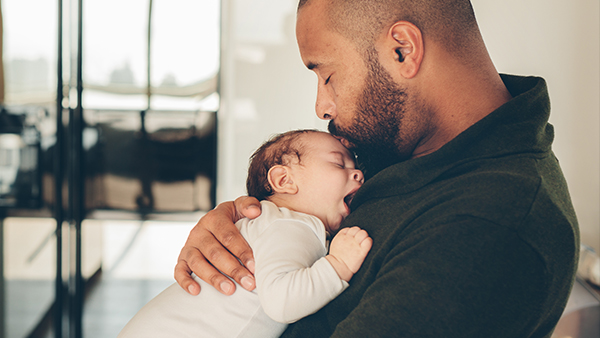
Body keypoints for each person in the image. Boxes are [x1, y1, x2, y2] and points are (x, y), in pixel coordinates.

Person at [175, 0, 580, 337]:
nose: (321, 107)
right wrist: (247, 224)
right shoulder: (402, 146)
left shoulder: (490, 224)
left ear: (403, 49)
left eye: (328, 75)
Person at [118, 129, 372, 338]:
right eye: (339, 164)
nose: (358, 174)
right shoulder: (293, 225)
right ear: (284, 180)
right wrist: (337, 265)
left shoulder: (269, 223)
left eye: (355, 166)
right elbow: (281, 301)